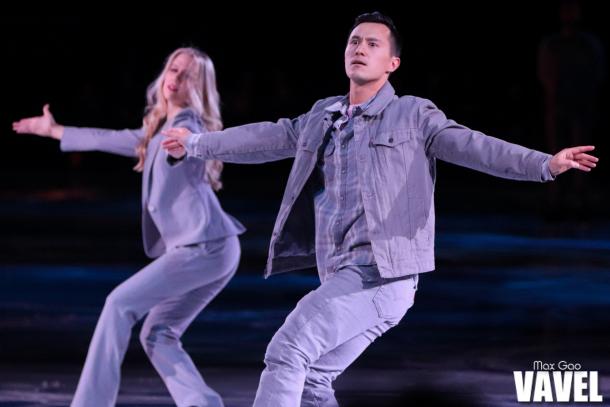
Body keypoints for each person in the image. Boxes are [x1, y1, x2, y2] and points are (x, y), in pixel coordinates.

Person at [163, 12, 598, 407]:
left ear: (392, 63)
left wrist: (544, 163)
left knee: (287, 351)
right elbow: (265, 138)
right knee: (313, 378)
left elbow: (475, 146)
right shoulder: (323, 116)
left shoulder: (413, 114)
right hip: (343, 275)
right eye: (354, 41)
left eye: (373, 43)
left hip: (381, 274)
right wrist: (197, 143)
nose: (360, 48)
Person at [13, 47, 245, 407]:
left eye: (186, 75)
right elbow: (109, 139)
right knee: (159, 333)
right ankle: (202, 403)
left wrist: (182, 149)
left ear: (198, 87)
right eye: (173, 68)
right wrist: (54, 130)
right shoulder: (156, 132)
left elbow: (185, 145)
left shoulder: (187, 126)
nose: (175, 78)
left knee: (118, 304)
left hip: (206, 246)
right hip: (215, 249)